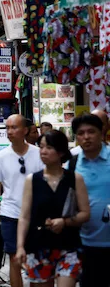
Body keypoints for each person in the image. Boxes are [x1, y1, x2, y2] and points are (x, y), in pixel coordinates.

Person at [16, 130, 90, 287]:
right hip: (38, 245)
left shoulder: (74, 178)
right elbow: (24, 216)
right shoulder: (32, 180)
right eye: (41, 147)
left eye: (49, 147)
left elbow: (85, 213)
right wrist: (20, 246)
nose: (43, 151)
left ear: (61, 151)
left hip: (69, 245)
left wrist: (65, 222)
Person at [0, 114, 46, 287]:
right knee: (14, 259)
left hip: (35, 216)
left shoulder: (38, 154)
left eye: (14, 127)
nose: (10, 131)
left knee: (35, 259)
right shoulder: (0, 157)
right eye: (7, 128)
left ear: (25, 130)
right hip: (10, 214)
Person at [69, 113, 110, 286]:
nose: (86, 137)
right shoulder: (72, 163)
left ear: (101, 132)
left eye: (91, 132)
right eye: (81, 133)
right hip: (85, 242)